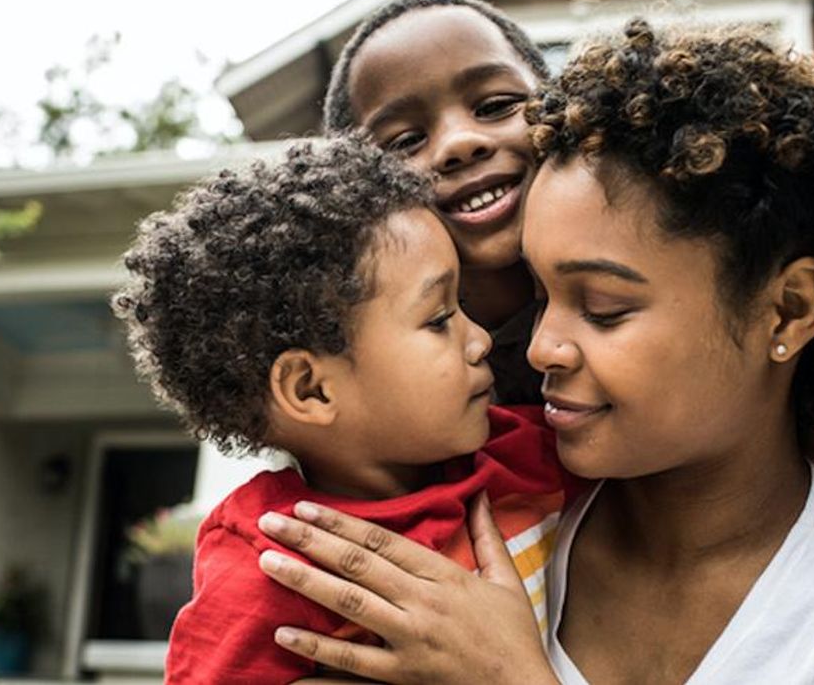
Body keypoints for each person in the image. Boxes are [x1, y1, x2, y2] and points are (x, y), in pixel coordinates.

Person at [254, 21, 814, 684]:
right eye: (537, 291)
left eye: (604, 308)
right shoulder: (476, 516)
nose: (538, 348)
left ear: (790, 309)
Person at [319, 0, 814, 544]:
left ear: (561, 112)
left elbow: (738, 404)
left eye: (494, 105)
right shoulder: (380, 352)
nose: (459, 143)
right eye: (404, 141)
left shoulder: (685, 242)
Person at [113, 137, 579, 683]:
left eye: (463, 308)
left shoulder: (526, 454)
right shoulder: (273, 564)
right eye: (437, 319)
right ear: (311, 389)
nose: (479, 340)